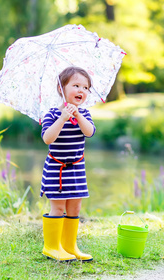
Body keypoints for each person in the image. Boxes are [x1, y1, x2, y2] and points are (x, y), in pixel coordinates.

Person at [40, 66, 95, 262]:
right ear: (62, 88)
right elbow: (48, 138)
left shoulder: (85, 115)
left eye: (86, 88)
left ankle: (69, 246)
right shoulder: (53, 114)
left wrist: (77, 115)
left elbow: (89, 132)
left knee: (75, 208)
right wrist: (63, 118)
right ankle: (52, 247)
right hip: (57, 170)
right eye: (76, 85)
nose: (81, 90)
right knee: (58, 208)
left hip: (77, 169)